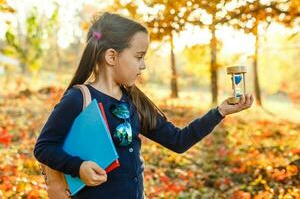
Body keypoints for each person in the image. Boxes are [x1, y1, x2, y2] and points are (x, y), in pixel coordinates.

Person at [34, 12, 253, 199]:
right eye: (139, 56)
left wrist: (220, 111)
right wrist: (78, 167)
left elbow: (178, 140)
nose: (144, 65)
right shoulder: (78, 98)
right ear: (112, 56)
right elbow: (44, 147)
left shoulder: (134, 100)